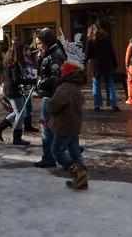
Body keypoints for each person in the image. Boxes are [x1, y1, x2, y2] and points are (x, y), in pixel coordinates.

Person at [46, 59, 90, 190]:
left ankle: (79, 173)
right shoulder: (75, 86)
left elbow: (52, 107)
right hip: (74, 123)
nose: (60, 74)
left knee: (57, 151)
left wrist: (49, 102)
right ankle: (82, 179)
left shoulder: (65, 88)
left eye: (62, 72)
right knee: (74, 151)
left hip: (64, 125)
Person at [33, 29, 66, 168]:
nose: (37, 47)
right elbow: (43, 71)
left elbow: (56, 76)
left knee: (47, 127)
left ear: (46, 42)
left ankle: (49, 158)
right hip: (47, 94)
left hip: (50, 96)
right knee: (51, 126)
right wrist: (40, 60)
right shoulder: (48, 53)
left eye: (39, 43)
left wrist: (41, 82)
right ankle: (64, 149)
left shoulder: (55, 55)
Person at [0, 40, 36, 145]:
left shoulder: (9, 60)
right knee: (20, 113)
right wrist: (31, 81)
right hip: (13, 90)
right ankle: (17, 138)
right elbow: (16, 80)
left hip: (9, 88)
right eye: (22, 51)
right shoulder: (15, 63)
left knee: (18, 111)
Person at [84, 24, 119, 112]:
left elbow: (87, 54)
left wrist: (85, 61)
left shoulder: (89, 41)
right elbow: (112, 52)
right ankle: (113, 104)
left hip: (95, 64)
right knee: (110, 84)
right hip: (107, 62)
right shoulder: (106, 39)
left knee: (96, 84)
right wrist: (115, 64)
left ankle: (97, 105)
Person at [22, 44, 39, 132]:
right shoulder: (25, 61)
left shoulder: (28, 61)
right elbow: (27, 74)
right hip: (25, 87)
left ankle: (27, 125)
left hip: (28, 86)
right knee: (26, 107)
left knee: (28, 106)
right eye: (27, 50)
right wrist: (31, 80)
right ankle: (26, 125)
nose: (30, 51)